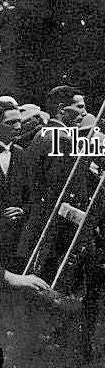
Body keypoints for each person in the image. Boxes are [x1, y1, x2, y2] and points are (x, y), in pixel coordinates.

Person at [15, 85, 89, 281]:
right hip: (53, 233)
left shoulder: (40, 135)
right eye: (80, 107)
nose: (85, 112)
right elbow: (62, 193)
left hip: (35, 227)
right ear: (61, 109)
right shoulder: (62, 140)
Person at [0, 102, 29, 271]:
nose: (18, 127)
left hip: (16, 241)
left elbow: (31, 195)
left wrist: (22, 210)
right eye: (11, 123)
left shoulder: (21, 154)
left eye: (19, 121)